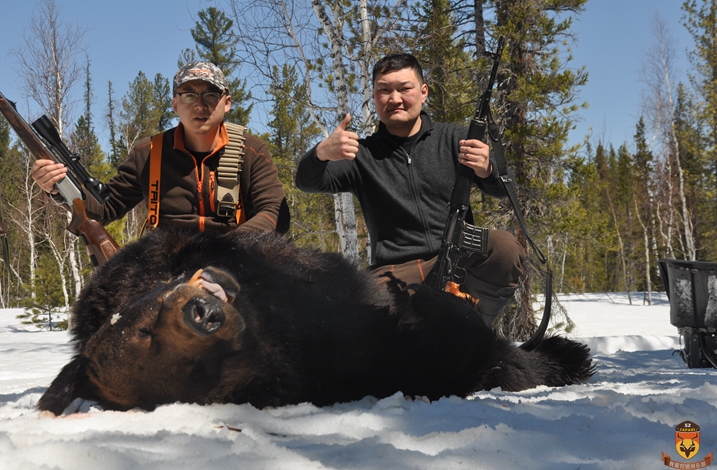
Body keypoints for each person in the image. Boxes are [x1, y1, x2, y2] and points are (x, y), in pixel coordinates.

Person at [295, 53, 525, 326]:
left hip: (458, 259)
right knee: (361, 311)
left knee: (505, 247)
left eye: (405, 88)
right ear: (374, 95)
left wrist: (487, 170)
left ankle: (475, 329)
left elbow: (502, 190)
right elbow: (307, 182)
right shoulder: (360, 155)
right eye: (384, 90)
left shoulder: (454, 138)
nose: (395, 99)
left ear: (423, 91)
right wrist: (320, 153)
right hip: (395, 270)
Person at [32, 61, 289, 235]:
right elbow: (105, 210)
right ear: (175, 104)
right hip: (165, 265)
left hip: (235, 260)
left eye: (211, 95)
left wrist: (232, 247)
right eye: (189, 95)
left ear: (227, 102)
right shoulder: (148, 154)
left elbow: (274, 212)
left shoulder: (251, 151)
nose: (200, 105)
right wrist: (56, 186)